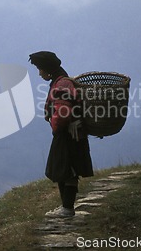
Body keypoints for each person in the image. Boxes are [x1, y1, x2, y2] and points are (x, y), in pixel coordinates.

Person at [29, 51, 94, 218]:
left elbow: (63, 111)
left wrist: (56, 125)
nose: (39, 73)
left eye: (40, 69)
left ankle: (67, 209)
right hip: (67, 133)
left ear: (47, 68)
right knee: (62, 169)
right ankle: (66, 207)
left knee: (68, 170)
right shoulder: (59, 81)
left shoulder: (63, 84)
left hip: (69, 134)